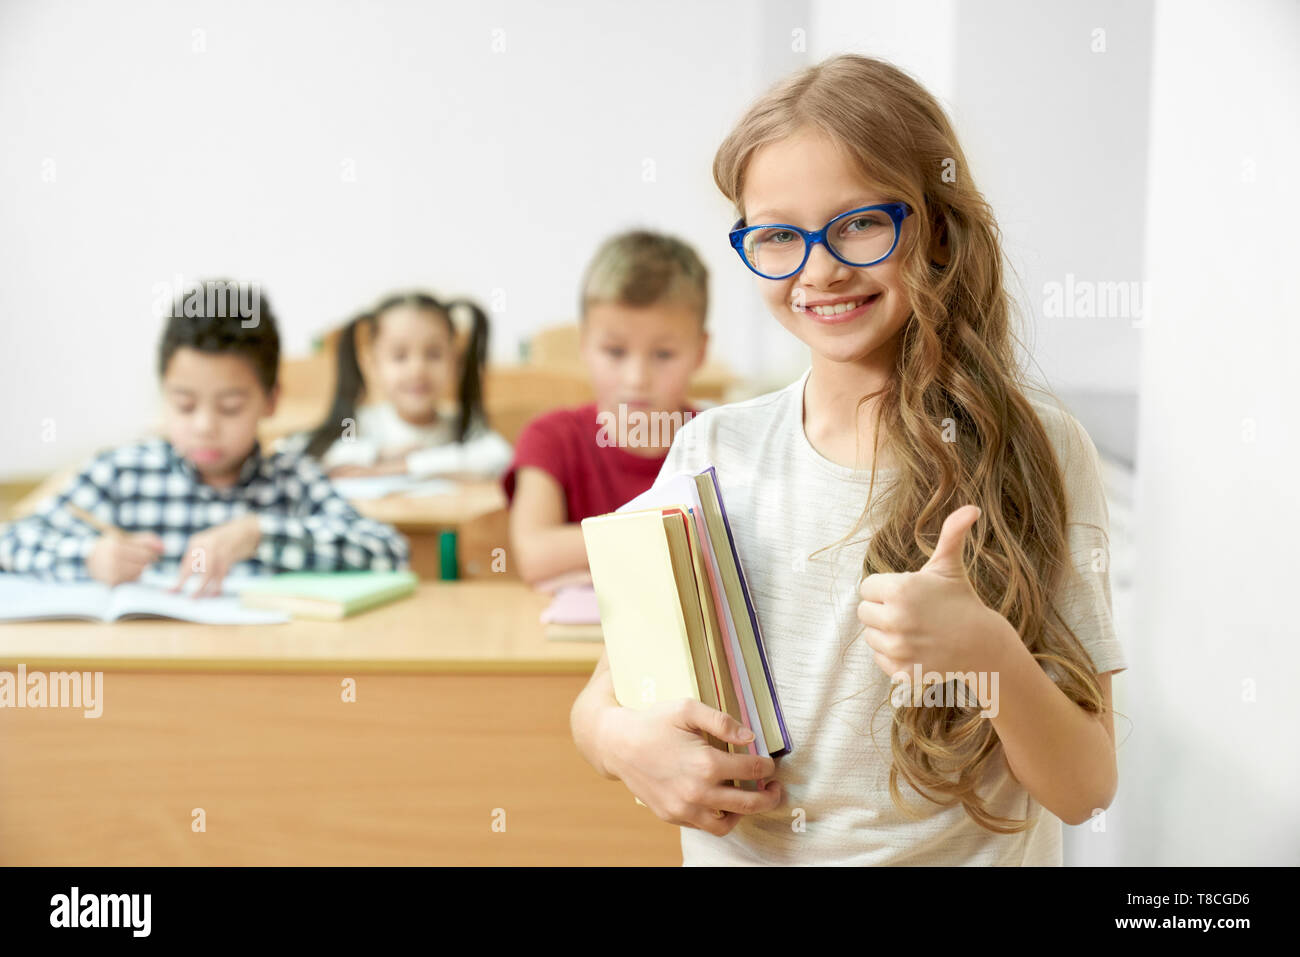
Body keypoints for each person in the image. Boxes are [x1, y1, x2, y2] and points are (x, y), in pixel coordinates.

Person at [570, 55, 1128, 865]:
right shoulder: (711, 452)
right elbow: (600, 694)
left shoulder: (1039, 446)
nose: (819, 268)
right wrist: (624, 742)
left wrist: (988, 653)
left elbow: (1084, 785)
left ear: (936, 226)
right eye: (776, 235)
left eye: (860, 223)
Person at [0, 279, 410, 594]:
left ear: (271, 401)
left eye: (230, 407)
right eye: (184, 404)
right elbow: (11, 542)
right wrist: (88, 558)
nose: (204, 425)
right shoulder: (122, 474)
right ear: (163, 393)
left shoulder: (291, 481)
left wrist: (259, 533)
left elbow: (389, 552)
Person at [503, 231, 709, 585]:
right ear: (584, 345)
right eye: (615, 352)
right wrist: (676, 536)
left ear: (700, 352)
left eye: (663, 355)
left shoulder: (719, 440)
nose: (636, 378)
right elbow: (535, 555)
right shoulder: (551, 437)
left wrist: (588, 562)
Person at [296, 292, 512, 481]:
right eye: (399, 356)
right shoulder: (358, 424)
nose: (418, 369)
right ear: (373, 365)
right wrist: (379, 454)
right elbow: (298, 452)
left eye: (434, 354)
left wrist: (405, 467)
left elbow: (500, 457)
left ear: (454, 361)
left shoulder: (462, 426)